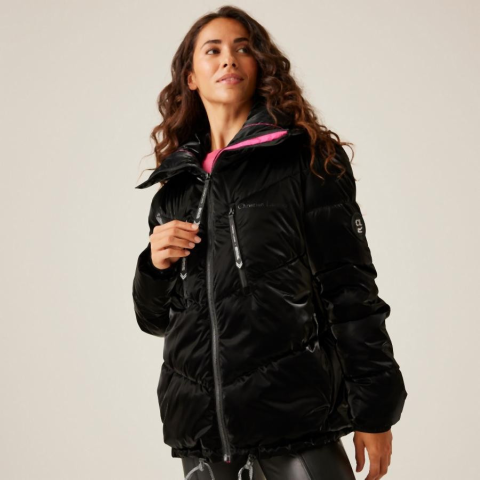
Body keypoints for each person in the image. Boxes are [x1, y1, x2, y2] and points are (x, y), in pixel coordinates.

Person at [132, 5, 407, 480]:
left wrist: (376, 408)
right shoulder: (175, 189)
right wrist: (152, 265)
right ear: (191, 77)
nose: (228, 59)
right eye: (212, 50)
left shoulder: (306, 158)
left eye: (242, 48)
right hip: (201, 433)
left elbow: (349, 288)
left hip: (294, 418)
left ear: (259, 66)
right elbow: (155, 319)